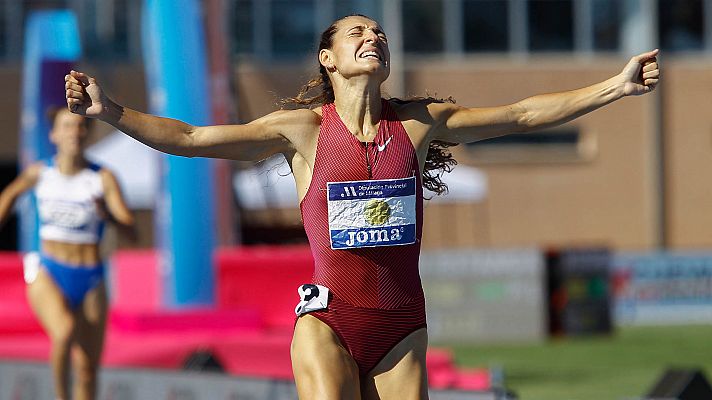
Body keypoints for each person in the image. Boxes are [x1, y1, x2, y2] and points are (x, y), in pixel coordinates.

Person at [63, 14, 659, 400]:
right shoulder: (302, 131)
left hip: (401, 324)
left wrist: (617, 84)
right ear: (328, 59)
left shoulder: (420, 125)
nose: (374, 38)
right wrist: (109, 110)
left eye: (381, 35)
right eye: (357, 33)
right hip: (328, 321)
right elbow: (192, 140)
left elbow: (523, 114)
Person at [0, 107, 135, 400]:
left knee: (87, 370)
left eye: (80, 126)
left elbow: (131, 231)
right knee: (64, 331)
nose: (74, 132)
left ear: (87, 133)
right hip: (49, 271)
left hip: (90, 277)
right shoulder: (41, 172)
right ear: (54, 134)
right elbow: (8, 196)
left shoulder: (103, 178)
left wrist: (107, 215)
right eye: (67, 126)